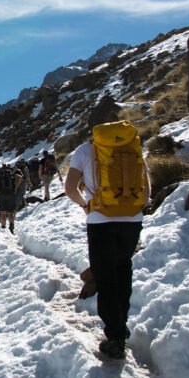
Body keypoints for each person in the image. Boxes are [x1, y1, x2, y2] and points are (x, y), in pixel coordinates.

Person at [64, 129, 150, 360]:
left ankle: (115, 337)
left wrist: (85, 206)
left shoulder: (84, 151)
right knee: (123, 269)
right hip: (132, 219)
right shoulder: (132, 147)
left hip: (101, 219)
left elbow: (70, 188)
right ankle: (121, 324)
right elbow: (145, 185)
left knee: (105, 276)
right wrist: (137, 209)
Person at [0, 163, 21, 233]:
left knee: (3, 213)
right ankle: (11, 226)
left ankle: (3, 227)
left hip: (1, 195)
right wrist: (16, 188)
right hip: (11, 194)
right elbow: (20, 177)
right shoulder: (11, 174)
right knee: (11, 213)